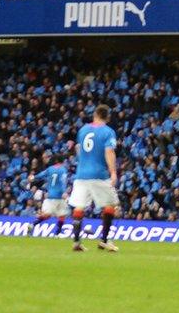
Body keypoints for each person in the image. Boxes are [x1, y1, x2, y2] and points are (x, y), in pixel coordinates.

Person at [67, 104, 120, 253]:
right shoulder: (108, 132)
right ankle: (104, 240)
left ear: (95, 115)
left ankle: (77, 242)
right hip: (99, 175)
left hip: (81, 174)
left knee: (79, 207)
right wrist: (113, 172)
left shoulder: (83, 130)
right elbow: (109, 152)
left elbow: (78, 149)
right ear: (107, 117)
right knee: (110, 205)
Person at [31, 159, 70, 234]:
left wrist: (34, 177)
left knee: (48, 215)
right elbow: (63, 181)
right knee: (62, 216)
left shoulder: (50, 169)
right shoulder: (63, 170)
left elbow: (41, 175)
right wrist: (64, 192)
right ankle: (57, 233)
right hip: (60, 196)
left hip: (50, 196)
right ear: (62, 162)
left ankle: (33, 224)